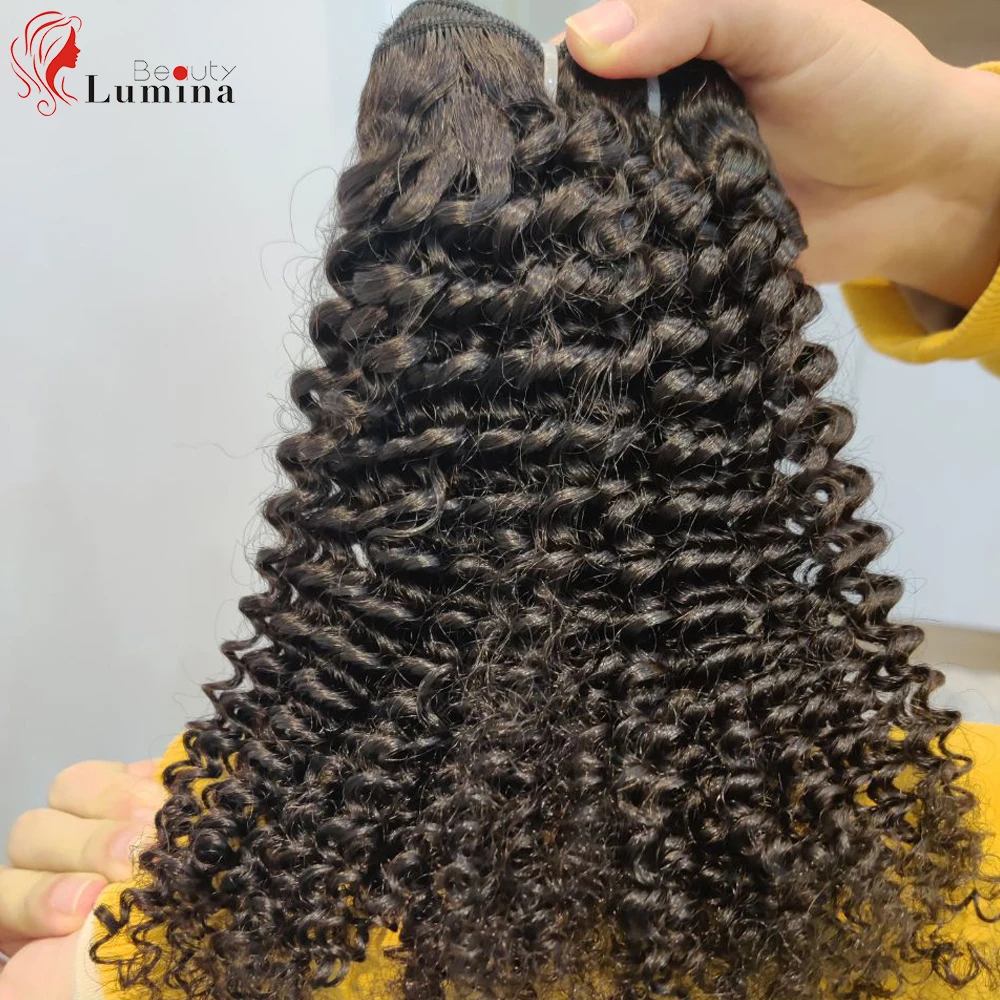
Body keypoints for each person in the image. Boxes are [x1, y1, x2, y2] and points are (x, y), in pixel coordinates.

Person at [1, 0, 997, 996]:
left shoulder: (227, 904)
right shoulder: (948, 849)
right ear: (736, 381)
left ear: (390, 399)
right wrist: (954, 169)